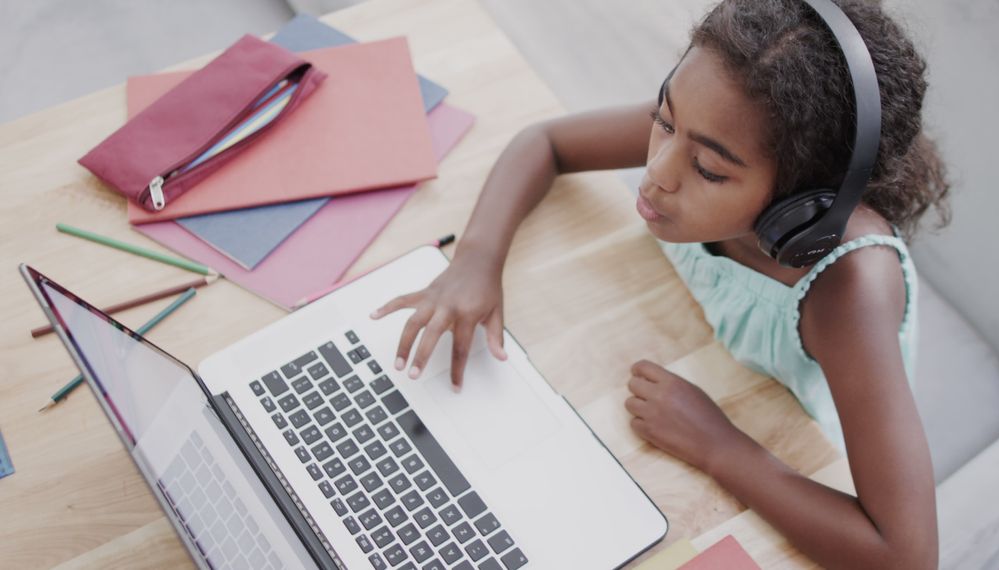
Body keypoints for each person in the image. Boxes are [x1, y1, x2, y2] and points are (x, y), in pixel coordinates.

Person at [372, 0, 949, 566]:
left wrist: (717, 446)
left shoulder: (850, 290)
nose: (656, 173)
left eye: (707, 171)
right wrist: (476, 258)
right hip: (683, 344)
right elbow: (544, 142)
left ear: (801, 208)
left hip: (789, 435)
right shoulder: (710, 122)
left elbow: (905, 553)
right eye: (664, 121)